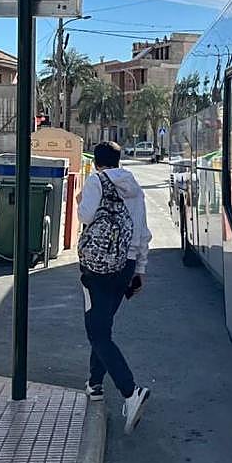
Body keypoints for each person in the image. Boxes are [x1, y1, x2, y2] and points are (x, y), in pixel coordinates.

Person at [78, 141, 152, 434]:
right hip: (127, 264)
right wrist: (140, 270)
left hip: (97, 267)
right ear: (119, 161)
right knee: (103, 326)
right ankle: (95, 383)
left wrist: (82, 197)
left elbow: (84, 216)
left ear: (97, 162)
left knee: (96, 331)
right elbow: (143, 230)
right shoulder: (134, 186)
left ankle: (130, 391)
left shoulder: (96, 180)